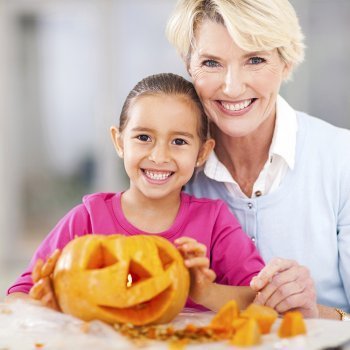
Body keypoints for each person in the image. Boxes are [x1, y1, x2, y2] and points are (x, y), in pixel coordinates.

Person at [6, 73, 265, 312]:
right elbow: (18, 297)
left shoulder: (214, 222)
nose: (159, 156)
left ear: (202, 153)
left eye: (179, 141)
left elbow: (261, 299)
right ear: (119, 142)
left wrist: (205, 292)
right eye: (143, 137)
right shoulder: (87, 220)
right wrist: (51, 302)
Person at [166, 0, 350, 320]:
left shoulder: (341, 160)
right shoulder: (172, 169)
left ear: (287, 63)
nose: (233, 87)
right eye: (211, 63)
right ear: (188, 65)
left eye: (255, 59)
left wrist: (314, 314)